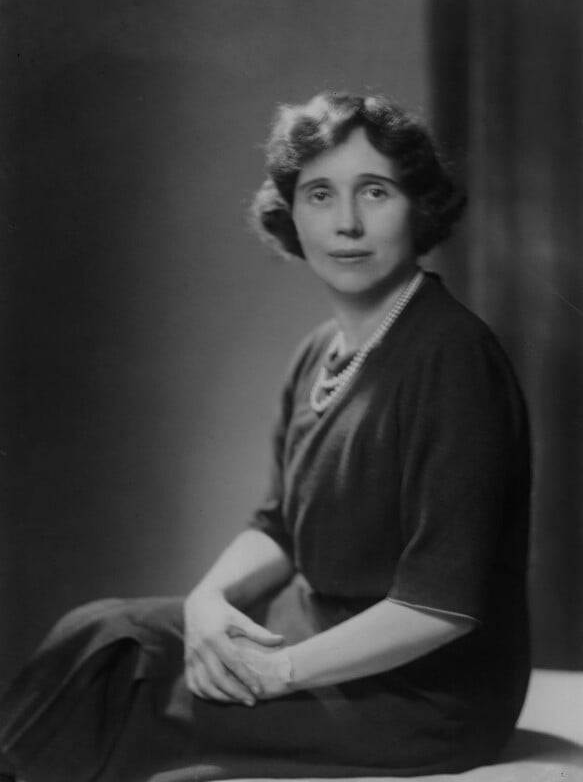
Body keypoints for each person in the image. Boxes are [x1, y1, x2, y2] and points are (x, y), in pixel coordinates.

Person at [0, 92, 531, 782]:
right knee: (103, 635)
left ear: (419, 207)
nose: (345, 223)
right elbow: (278, 526)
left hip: (423, 692)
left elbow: (440, 607)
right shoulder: (319, 352)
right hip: (323, 635)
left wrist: (275, 670)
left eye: (373, 191)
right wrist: (205, 603)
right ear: (290, 214)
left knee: (124, 691)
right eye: (318, 194)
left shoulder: (451, 355)